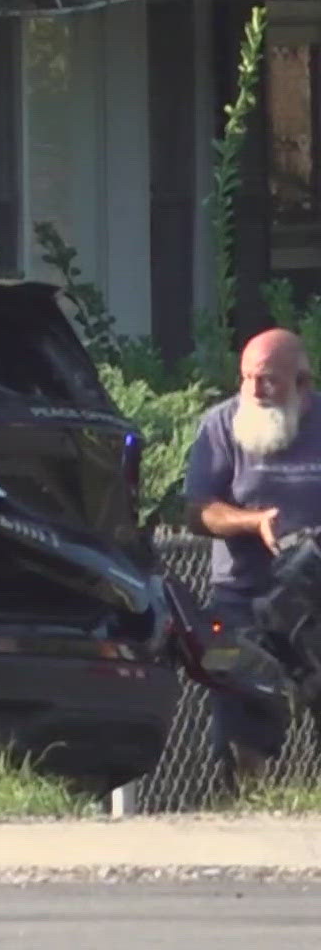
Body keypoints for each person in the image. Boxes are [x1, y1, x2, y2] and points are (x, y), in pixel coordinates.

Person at [184, 327, 321, 785]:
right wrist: (254, 522)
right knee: (234, 704)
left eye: (268, 380)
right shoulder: (220, 425)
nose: (255, 391)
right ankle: (243, 808)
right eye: (247, 379)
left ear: (302, 382)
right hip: (238, 600)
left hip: (314, 600)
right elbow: (199, 512)